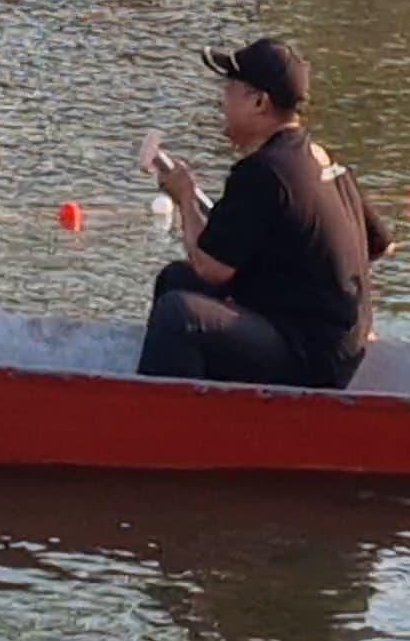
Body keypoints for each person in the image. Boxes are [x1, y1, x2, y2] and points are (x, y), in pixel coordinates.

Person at [136, 37, 383, 388]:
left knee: (180, 316)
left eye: (229, 90)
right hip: (334, 343)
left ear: (258, 102)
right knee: (176, 279)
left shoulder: (263, 172)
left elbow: (210, 267)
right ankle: (209, 409)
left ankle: (168, 433)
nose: (221, 101)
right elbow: (377, 245)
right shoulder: (322, 159)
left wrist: (186, 198)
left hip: (309, 357)